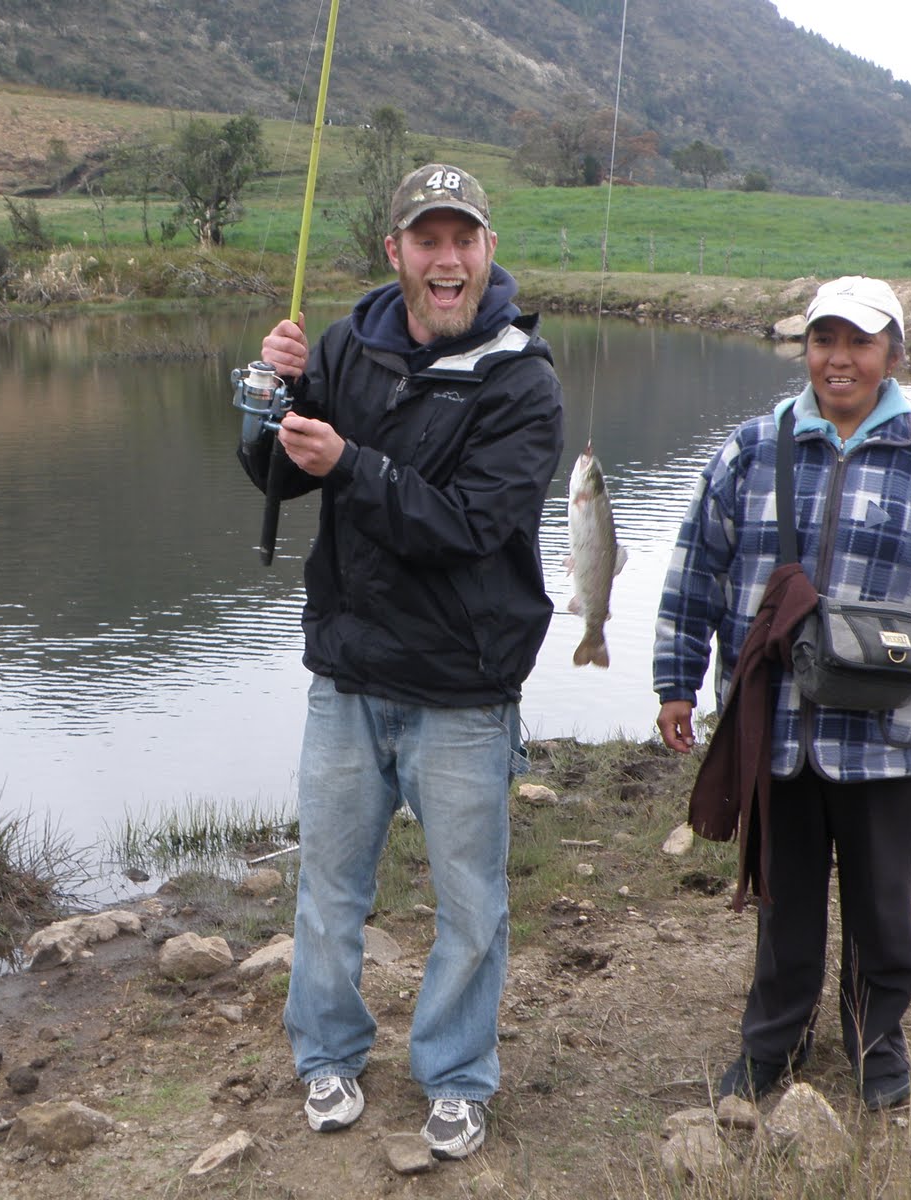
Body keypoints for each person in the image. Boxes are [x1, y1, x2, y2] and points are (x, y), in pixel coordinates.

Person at [239, 162, 565, 1158]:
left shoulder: (522, 380)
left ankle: (456, 1076)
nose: (446, 259)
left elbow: (467, 525)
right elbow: (271, 474)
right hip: (346, 676)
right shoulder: (346, 345)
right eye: (427, 240)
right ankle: (327, 1056)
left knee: (470, 904)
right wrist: (269, 392)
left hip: (464, 689)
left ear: (486, 250)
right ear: (397, 253)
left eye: (462, 239)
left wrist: (353, 464)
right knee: (328, 892)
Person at [652, 276, 911, 1112]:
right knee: (782, 906)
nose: (839, 359)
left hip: (889, 734)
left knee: (883, 910)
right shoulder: (752, 449)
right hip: (776, 727)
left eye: (859, 343)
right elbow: (696, 574)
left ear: (893, 354)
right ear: (807, 351)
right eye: (825, 340)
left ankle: (876, 1042)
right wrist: (676, 681)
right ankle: (772, 1044)